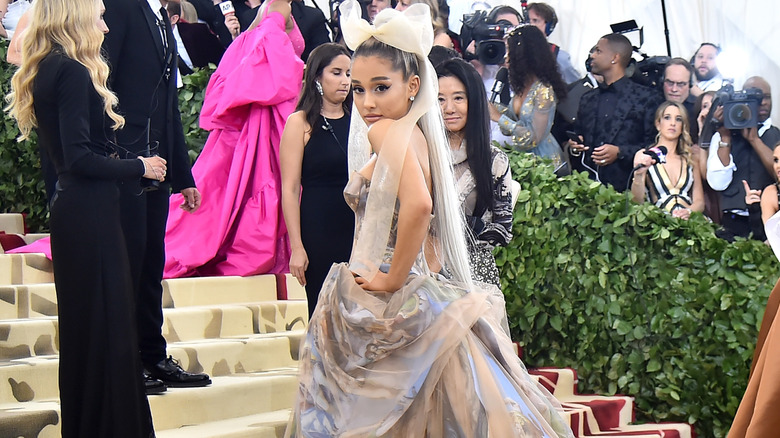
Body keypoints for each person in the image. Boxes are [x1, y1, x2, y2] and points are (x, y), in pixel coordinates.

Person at [288, 2, 573, 436]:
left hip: (391, 290)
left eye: (380, 87)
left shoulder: (387, 131)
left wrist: (390, 279)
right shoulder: (417, 133)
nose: (366, 101)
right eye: (359, 88)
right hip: (415, 288)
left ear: (413, 84)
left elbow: (420, 208)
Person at [5, 0, 165, 434]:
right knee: (108, 331)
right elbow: (77, 159)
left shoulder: (51, 68)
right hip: (90, 214)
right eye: (98, 15)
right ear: (75, 17)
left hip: (77, 212)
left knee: (90, 333)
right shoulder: (72, 71)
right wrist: (141, 166)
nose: (106, 26)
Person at [103, 0, 211, 392]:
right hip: (125, 165)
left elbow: (167, 107)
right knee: (128, 267)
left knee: (150, 268)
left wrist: (183, 175)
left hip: (157, 168)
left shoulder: (160, 15)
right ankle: (126, 362)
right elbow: (103, 86)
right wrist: (119, 158)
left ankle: (152, 355)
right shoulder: (119, 8)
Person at [163, 0, 304, 278]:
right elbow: (273, 59)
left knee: (239, 183)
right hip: (270, 115)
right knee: (269, 179)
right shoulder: (278, 9)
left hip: (261, 116)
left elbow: (248, 52)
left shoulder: (268, 11)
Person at [281, 43, 354, 317]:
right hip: (318, 226)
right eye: (337, 72)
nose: (345, 81)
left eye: (348, 73)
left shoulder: (359, 121)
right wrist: (296, 247)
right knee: (323, 313)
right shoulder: (299, 123)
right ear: (317, 78)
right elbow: (289, 189)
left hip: (356, 227)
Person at [436, 58, 513, 285]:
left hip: (473, 274)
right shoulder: (421, 153)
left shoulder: (494, 160)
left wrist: (454, 224)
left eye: (458, 98)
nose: (449, 108)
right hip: (420, 267)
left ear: (475, 101)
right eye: (440, 99)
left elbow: (503, 231)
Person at [568, 33, 662, 192]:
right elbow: (579, 137)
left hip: (629, 190)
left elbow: (655, 146)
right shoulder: (587, 99)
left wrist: (620, 152)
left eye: (598, 51)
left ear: (615, 58)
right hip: (588, 190)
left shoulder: (646, 98)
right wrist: (575, 147)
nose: (592, 56)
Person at [706, 76, 780, 241]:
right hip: (734, 222)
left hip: (771, 220)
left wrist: (755, 140)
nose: (763, 103)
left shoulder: (777, 135)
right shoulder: (723, 135)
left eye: (766, 97)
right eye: (756, 98)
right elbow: (717, 182)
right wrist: (724, 136)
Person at [489, 24, 568, 167]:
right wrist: (493, 108)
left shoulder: (544, 91)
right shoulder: (522, 86)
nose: (505, 56)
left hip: (544, 164)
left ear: (524, 55)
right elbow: (511, 127)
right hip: (522, 160)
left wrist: (498, 117)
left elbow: (532, 139)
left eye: (509, 50)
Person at [630, 101, 704, 219]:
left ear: (683, 126)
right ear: (658, 124)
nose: (673, 123)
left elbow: (700, 202)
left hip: (690, 224)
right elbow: (636, 202)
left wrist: (688, 212)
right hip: (659, 226)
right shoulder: (645, 155)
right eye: (667, 118)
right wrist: (638, 174)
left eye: (678, 119)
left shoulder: (690, 158)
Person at [525, 2, 579, 84]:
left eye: (535, 21)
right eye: (528, 21)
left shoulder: (559, 56)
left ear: (549, 27)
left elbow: (575, 86)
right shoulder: (512, 52)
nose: (530, 24)